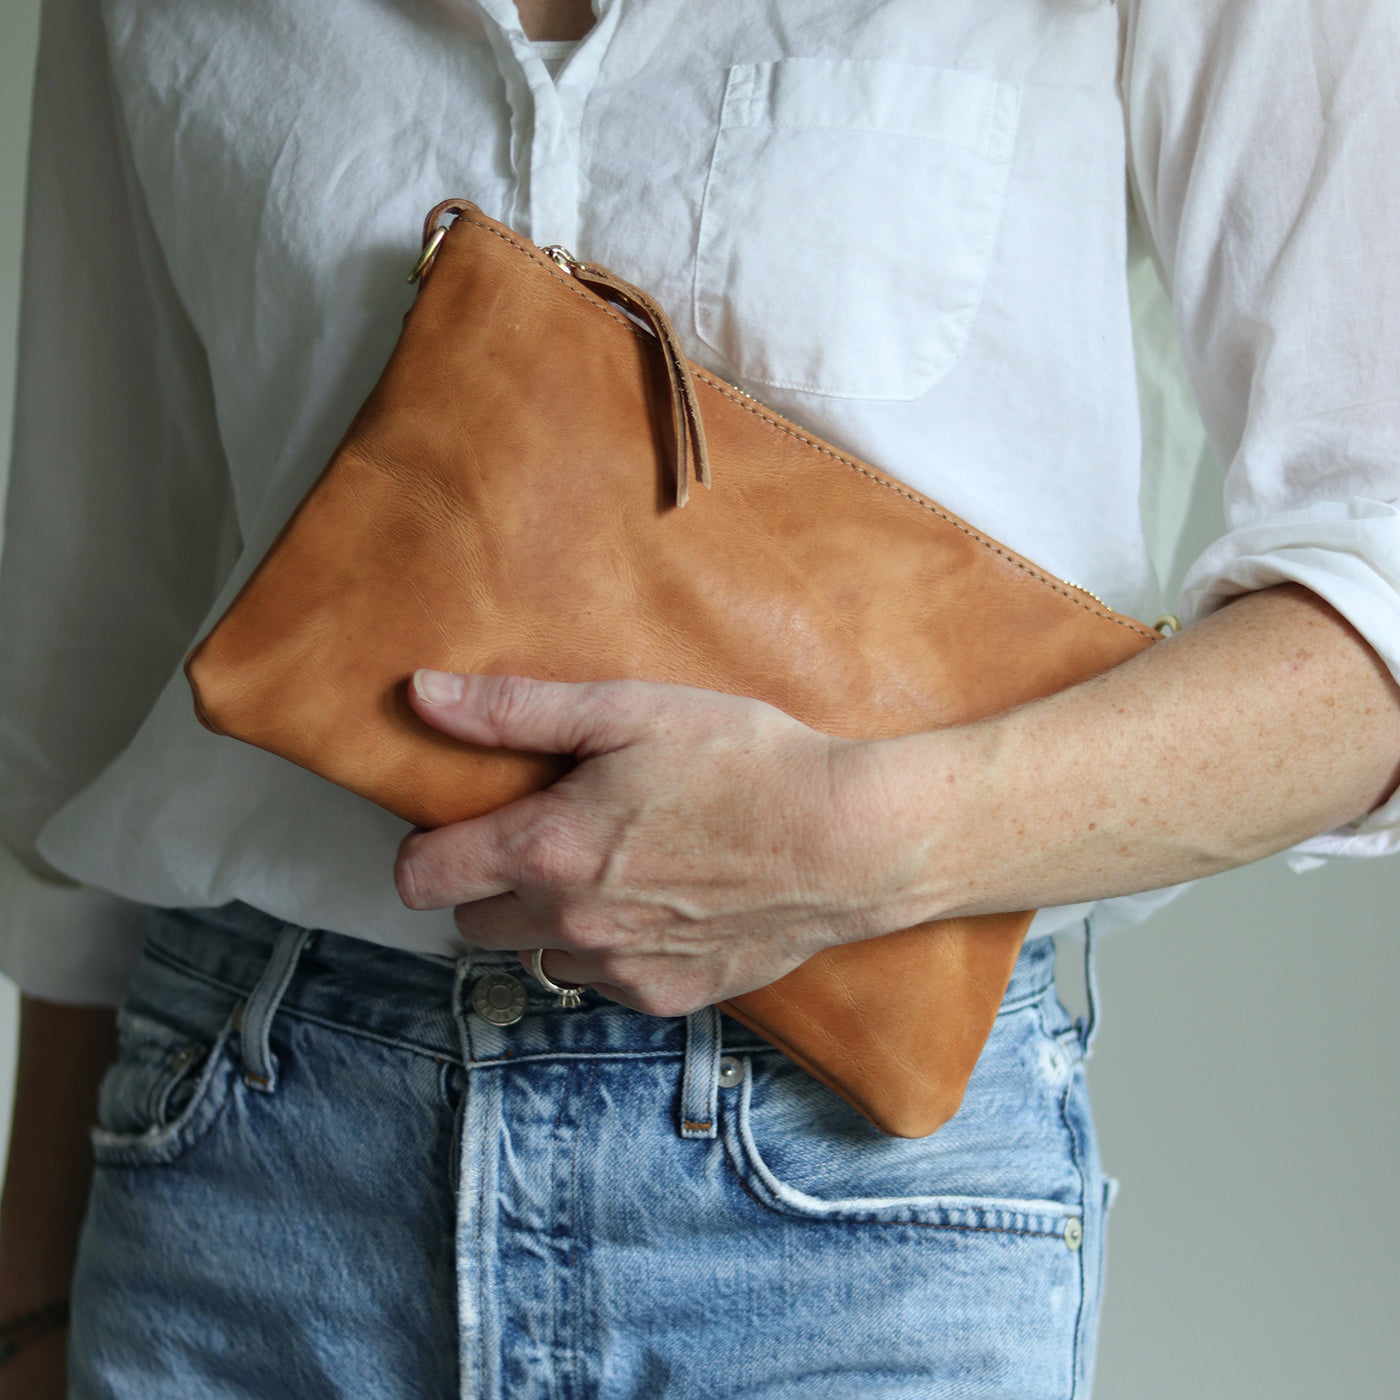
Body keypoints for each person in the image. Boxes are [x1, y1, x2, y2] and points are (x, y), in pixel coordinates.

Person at [2, 0, 1398, 1394]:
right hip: (241, 1161)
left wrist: (854, 844)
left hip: (854, 1201)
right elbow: (96, 623)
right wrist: (26, 1300)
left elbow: (1374, 616)